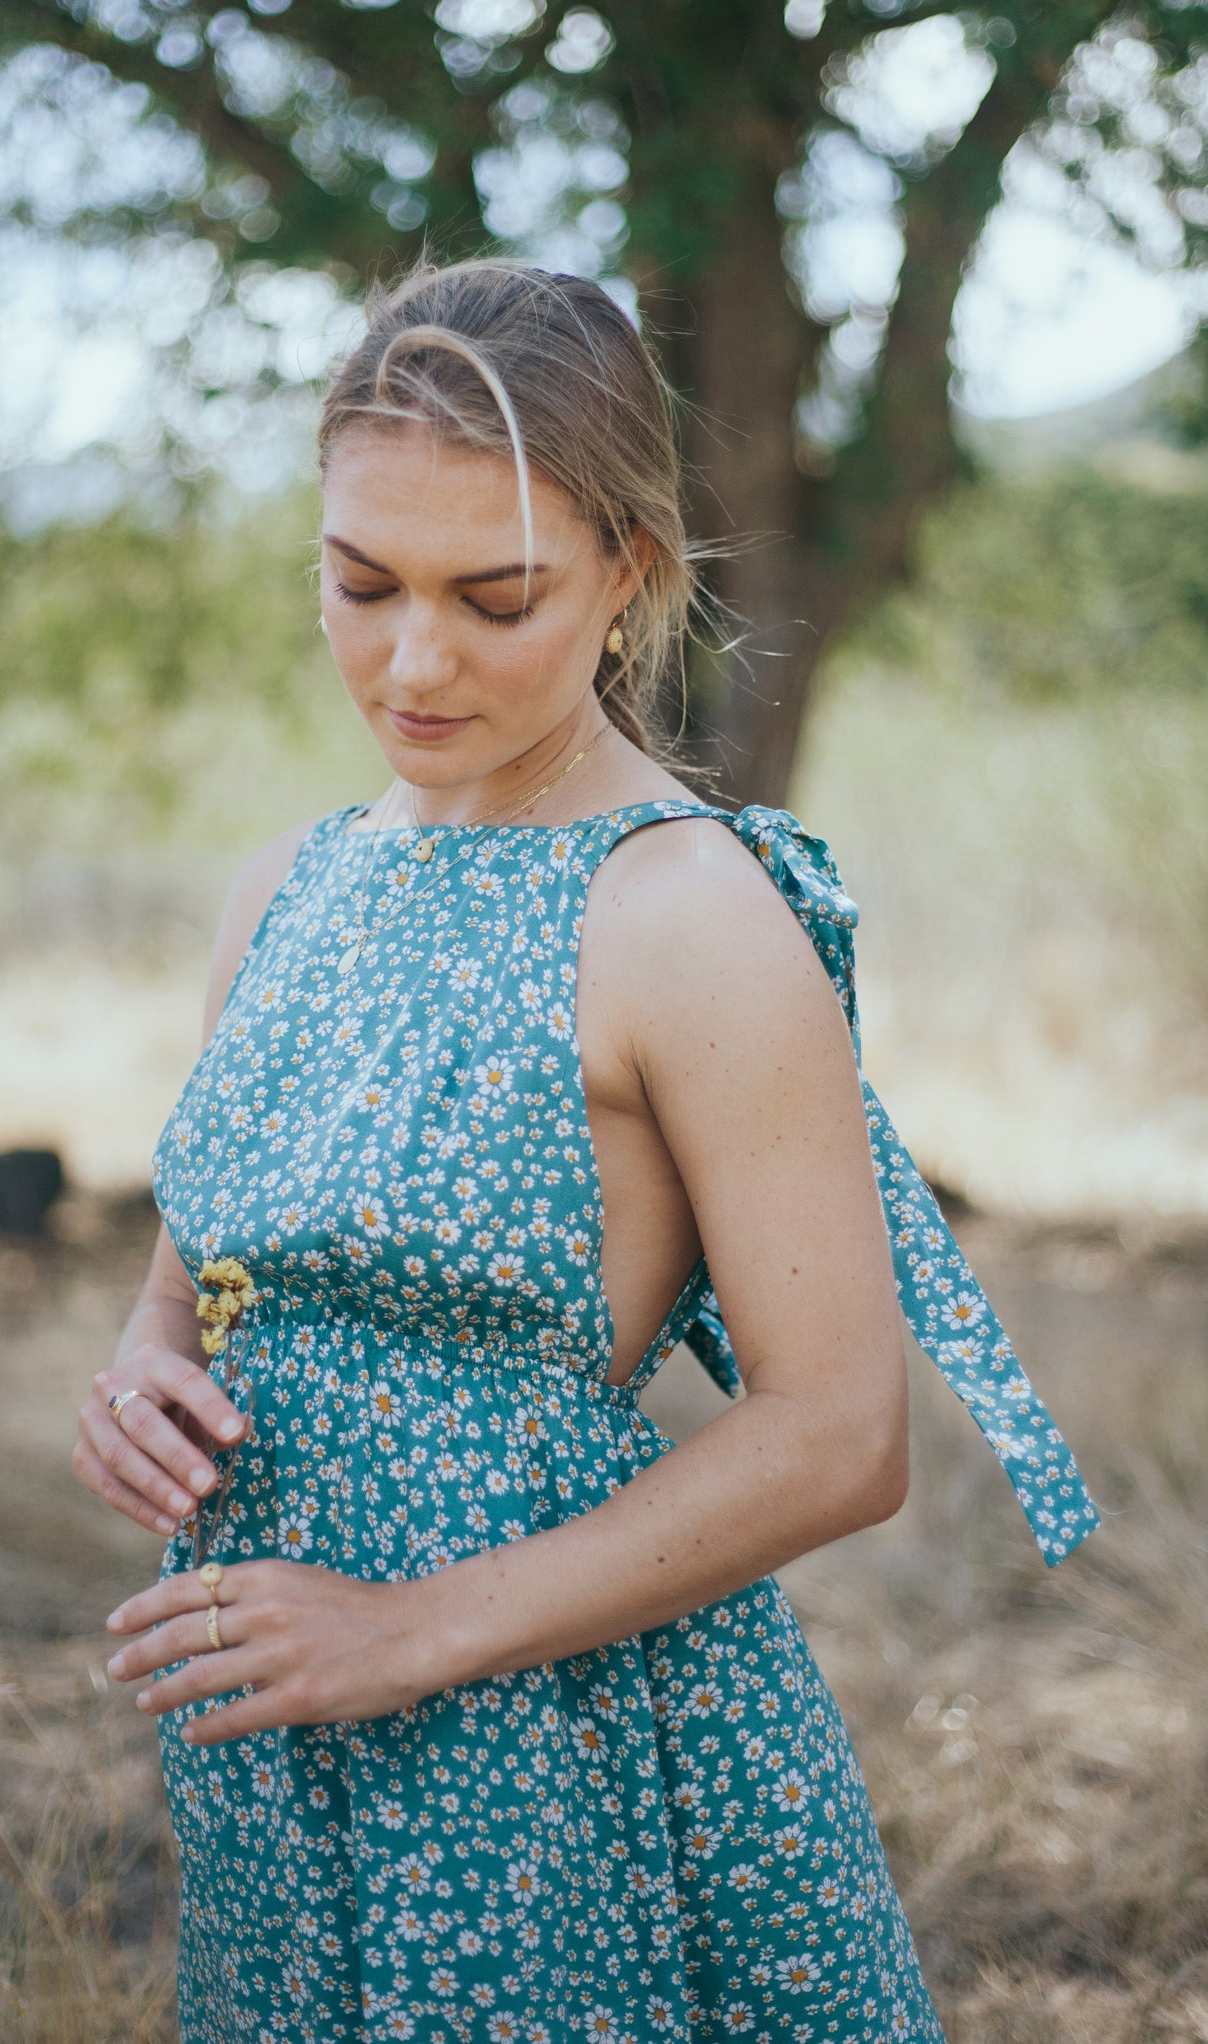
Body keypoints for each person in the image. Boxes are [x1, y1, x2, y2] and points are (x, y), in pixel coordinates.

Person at [72, 256, 1100, 2043]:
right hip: (271, 1726)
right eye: (358, 581)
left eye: (497, 596)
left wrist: (405, 1632)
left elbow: (841, 1438)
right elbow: (205, 1281)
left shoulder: (679, 912)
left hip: (552, 1755)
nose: (413, 657)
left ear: (629, 567)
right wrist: (143, 1377)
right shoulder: (285, 890)